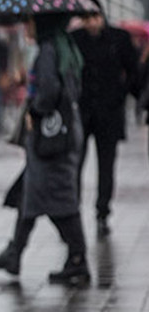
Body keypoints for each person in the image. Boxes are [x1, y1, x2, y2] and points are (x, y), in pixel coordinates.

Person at [0, 15, 90, 286]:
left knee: (57, 197)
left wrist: (35, 109)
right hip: (61, 133)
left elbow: (49, 90)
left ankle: (78, 259)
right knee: (31, 194)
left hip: (51, 137)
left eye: (31, 22)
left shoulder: (48, 49)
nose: (26, 26)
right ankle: (15, 254)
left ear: (43, 24)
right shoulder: (63, 46)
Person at [71, 5, 139, 237]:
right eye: (86, 18)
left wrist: (121, 93)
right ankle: (72, 210)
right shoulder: (75, 40)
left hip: (109, 113)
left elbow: (133, 72)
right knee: (75, 163)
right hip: (83, 111)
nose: (91, 23)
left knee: (106, 165)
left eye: (94, 17)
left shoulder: (119, 39)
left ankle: (102, 211)